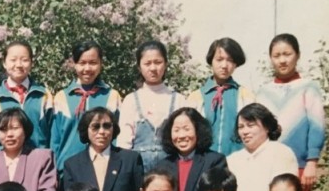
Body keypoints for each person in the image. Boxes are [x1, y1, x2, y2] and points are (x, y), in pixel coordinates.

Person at [256, 34, 326, 191]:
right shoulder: (263, 92)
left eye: (287, 54)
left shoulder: (308, 87)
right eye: (277, 55)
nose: (282, 60)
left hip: (299, 165)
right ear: (271, 58)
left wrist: (311, 162)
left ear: (298, 55)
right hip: (269, 164)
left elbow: (317, 127)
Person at [62, 107, 143, 191]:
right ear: (86, 130)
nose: (102, 132)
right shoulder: (72, 165)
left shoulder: (130, 159)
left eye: (107, 126)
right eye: (95, 127)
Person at [51, 40, 121, 177]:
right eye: (82, 63)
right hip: (68, 170)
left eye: (93, 63)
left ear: (101, 63)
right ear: (74, 64)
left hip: (104, 169)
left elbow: (117, 137)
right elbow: (55, 141)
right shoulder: (61, 97)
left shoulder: (112, 96)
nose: (87, 68)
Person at [116, 40, 187, 172]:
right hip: (138, 170)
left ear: (166, 64)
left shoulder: (179, 100)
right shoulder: (131, 100)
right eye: (147, 63)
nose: (153, 68)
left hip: (170, 170)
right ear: (139, 67)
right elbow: (124, 143)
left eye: (158, 62)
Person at [226, 103, 299, 191]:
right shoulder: (232, 160)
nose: (245, 131)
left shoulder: (281, 153)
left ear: (267, 127)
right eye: (241, 127)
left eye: (250, 125)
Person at [187, 37, 254, 155]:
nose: (224, 65)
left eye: (230, 60)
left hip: (236, 159)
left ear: (236, 64)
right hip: (203, 160)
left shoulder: (245, 95)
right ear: (211, 61)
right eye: (219, 59)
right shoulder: (196, 97)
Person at [0, 40, 54, 151]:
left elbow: (52, 132)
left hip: (38, 158)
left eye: (24, 60)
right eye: (13, 60)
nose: (19, 65)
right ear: (4, 63)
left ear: (32, 63)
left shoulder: (44, 95)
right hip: (5, 158)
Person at [157, 107, 227, 191]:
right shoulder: (162, 165)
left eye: (186, 129)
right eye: (176, 130)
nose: (181, 136)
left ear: (198, 130)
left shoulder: (214, 161)